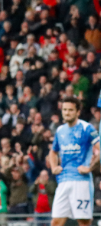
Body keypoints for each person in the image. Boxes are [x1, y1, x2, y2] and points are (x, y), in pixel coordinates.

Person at [49, 96, 100, 226]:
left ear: (78, 112)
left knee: (83, 222)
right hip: (63, 181)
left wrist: (89, 168)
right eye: (64, 109)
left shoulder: (87, 128)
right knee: (56, 222)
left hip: (81, 181)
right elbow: (53, 151)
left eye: (70, 110)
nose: (66, 112)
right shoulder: (60, 130)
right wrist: (54, 167)